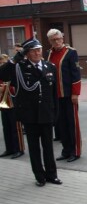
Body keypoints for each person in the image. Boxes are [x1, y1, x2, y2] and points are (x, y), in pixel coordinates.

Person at [0, 37, 62, 186]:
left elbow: (54, 93)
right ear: (26, 53)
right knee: (34, 148)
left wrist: (55, 113)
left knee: (48, 146)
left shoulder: (50, 67)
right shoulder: (19, 67)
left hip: (46, 113)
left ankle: (52, 175)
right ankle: (39, 176)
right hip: (29, 114)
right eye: (33, 51)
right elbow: (2, 75)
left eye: (39, 50)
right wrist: (14, 59)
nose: (37, 53)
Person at [46, 29, 82, 163]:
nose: (57, 41)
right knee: (60, 125)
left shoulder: (71, 52)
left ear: (62, 37)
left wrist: (75, 93)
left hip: (68, 95)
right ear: (50, 41)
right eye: (53, 40)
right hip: (55, 96)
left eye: (58, 38)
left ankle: (75, 151)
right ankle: (66, 150)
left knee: (71, 124)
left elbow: (76, 74)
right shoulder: (48, 53)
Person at [0, 54, 25, 159]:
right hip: (3, 102)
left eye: (2, 62)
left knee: (16, 127)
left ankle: (19, 149)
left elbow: (16, 85)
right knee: (6, 126)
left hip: (13, 101)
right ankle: (9, 148)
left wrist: (4, 88)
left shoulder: (13, 69)